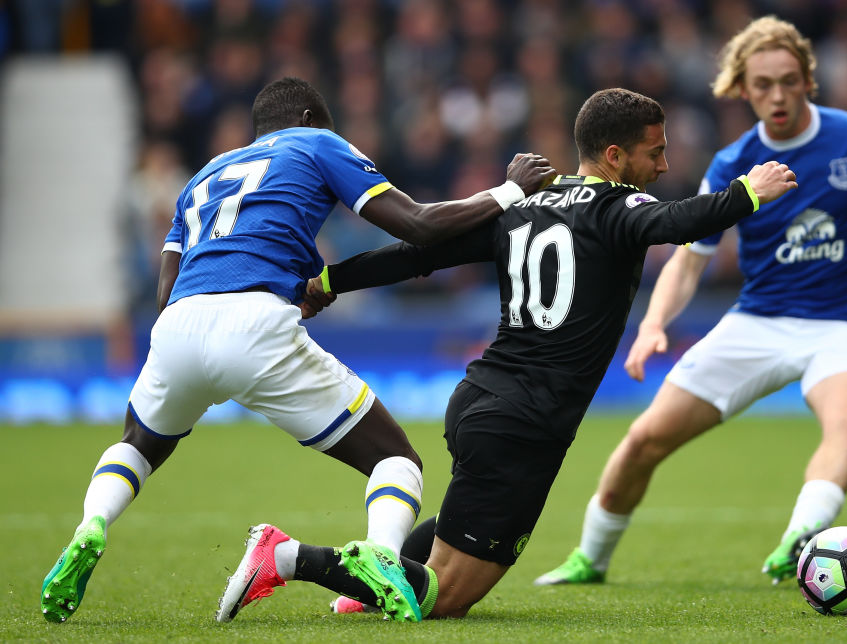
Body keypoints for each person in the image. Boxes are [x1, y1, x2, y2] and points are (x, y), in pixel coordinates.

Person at [214, 87, 798, 622]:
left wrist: (331, 280)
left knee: (461, 523)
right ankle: (288, 556)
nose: (665, 165)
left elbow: (419, 255)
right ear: (614, 156)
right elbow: (679, 220)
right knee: (444, 599)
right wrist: (749, 191)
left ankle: (364, 591)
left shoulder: (526, 205)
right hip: (527, 418)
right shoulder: (619, 208)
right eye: (656, 152)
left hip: (481, 399)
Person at [40, 76, 556, 624]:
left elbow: (167, 290)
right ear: (310, 119)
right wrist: (508, 192)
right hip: (254, 325)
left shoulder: (202, 176)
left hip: (177, 326)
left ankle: (91, 524)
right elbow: (417, 224)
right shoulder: (317, 143)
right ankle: (381, 557)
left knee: (138, 445)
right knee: (395, 459)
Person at [534, 15, 847, 589]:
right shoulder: (732, 161)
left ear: (807, 79)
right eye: (763, 84)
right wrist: (654, 324)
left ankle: (802, 538)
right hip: (757, 322)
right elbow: (690, 259)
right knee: (644, 440)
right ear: (742, 89)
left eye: (789, 81)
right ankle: (589, 557)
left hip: (844, 324)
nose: (778, 95)